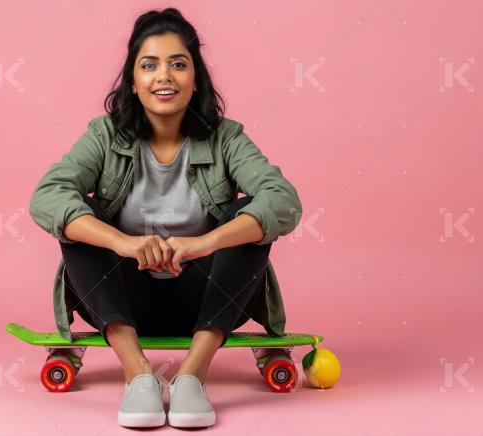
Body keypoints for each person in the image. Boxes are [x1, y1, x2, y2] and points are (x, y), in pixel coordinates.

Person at [28, 7, 302, 429]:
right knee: (80, 216)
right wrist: (123, 242)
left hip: (208, 302)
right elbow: (47, 196)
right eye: (149, 65)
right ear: (134, 83)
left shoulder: (226, 138)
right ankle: (138, 375)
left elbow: (283, 201)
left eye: (178, 64)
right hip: (122, 298)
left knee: (249, 214)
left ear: (195, 80)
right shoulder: (105, 136)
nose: (164, 76)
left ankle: (193, 374)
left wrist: (205, 243)